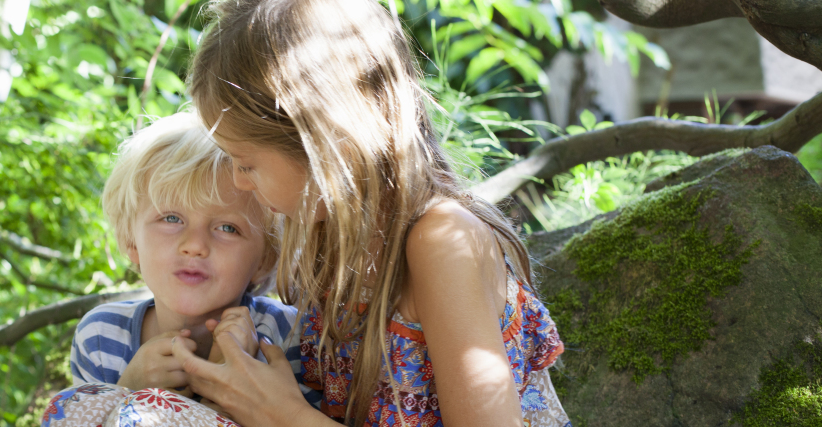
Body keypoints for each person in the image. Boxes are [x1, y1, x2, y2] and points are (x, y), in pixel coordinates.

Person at [163, 0, 572, 426]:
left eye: (246, 163)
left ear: (327, 144)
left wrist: (281, 414)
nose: (240, 181)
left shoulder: (442, 242)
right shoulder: (331, 238)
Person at [41, 112, 312, 427]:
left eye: (227, 227)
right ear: (131, 240)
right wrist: (128, 388)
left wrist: (237, 388)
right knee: (70, 409)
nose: (194, 245)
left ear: (264, 260)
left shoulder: (288, 336)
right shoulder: (101, 336)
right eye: (171, 218)